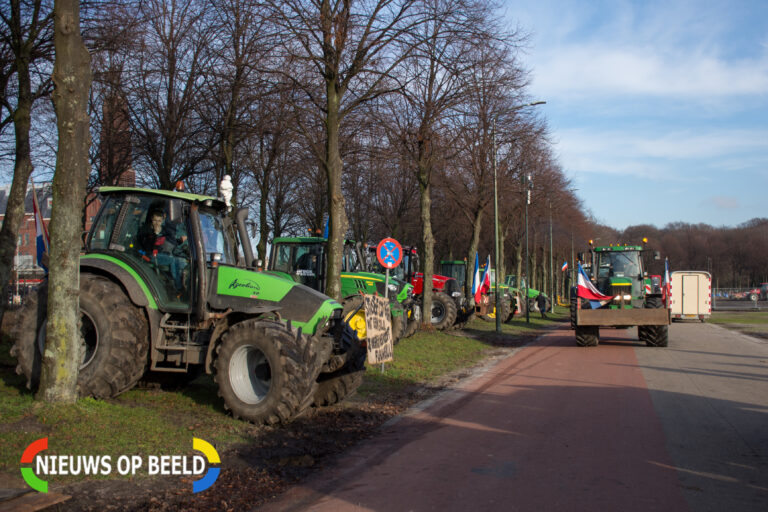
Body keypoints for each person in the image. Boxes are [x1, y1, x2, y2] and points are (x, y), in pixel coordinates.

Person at [138, 209, 188, 291]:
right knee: (172, 260)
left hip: (163, 254)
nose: (157, 223)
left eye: (159, 221)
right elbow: (146, 246)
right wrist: (155, 234)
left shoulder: (165, 230)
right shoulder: (146, 230)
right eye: (155, 220)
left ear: (162, 221)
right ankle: (178, 287)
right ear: (151, 219)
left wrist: (180, 241)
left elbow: (171, 241)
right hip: (148, 255)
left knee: (181, 261)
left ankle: (179, 283)